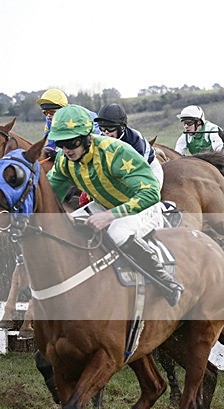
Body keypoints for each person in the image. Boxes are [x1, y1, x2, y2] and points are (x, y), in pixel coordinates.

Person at [46, 105, 183, 306]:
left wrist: (110, 215)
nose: (66, 149)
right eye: (61, 143)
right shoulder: (64, 161)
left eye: (72, 143)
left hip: (143, 203)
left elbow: (151, 192)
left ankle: (167, 282)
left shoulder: (116, 152)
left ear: (86, 137)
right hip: (106, 202)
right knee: (68, 228)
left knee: (117, 232)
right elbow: (47, 195)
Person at [94, 103, 163, 188]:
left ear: (122, 127)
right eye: (102, 128)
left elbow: (138, 171)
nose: (106, 132)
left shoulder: (135, 140)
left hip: (148, 169)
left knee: (148, 196)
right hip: (122, 170)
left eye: (110, 128)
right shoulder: (100, 139)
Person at [37, 88, 100, 160]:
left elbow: (93, 142)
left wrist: (59, 154)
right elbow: (51, 144)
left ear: (63, 109)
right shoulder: (50, 119)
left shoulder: (80, 116)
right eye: (45, 112)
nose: (48, 116)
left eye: (52, 112)